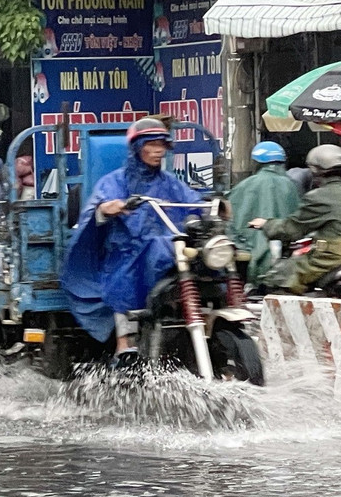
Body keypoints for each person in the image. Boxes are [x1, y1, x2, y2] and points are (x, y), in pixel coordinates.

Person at [60, 117, 202, 359]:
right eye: (152, 145)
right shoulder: (115, 181)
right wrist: (106, 209)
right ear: (138, 147)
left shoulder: (170, 182)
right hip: (125, 250)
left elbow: (194, 203)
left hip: (170, 246)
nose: (158, 151)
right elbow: (94, 212)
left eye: (161, 145)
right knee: (125, 274)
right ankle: (125, 343)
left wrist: (214, 210)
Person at [248, 144, 341, 294]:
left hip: (331, 260)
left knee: (279, 277)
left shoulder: (318, 197)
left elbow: (291, 229)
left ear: (315, 171)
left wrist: (266, 224)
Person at [226, 141, 300, 285]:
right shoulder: (291, 186)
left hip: (247, 258)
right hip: (286, 260)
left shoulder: (244, 186)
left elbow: (230, 221)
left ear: (256, 162)